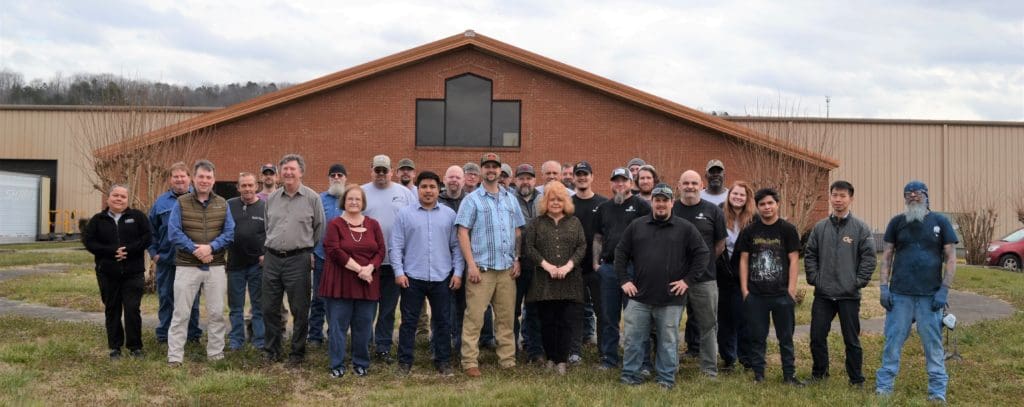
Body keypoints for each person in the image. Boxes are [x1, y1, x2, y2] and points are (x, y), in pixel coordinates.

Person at [616, 183, 709, 389]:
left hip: (670, 298)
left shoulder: (685, 228)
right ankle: (630, 375)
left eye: (665, 200)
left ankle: (665, 379)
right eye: (657, 200)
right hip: (639, 296)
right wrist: (624, 280)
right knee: (633, 340)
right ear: (652, 202)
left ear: (671, 203)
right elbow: (621, 253)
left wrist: (687, 281)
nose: (660, 204)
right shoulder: (637, 226)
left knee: (668, 342)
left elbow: (702, 254)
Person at [875, 180, 956, 403]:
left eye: (917, 193)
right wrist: (883, 287)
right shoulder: (897, 223)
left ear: (926, 196)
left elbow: (950, 259)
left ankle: (937, 391)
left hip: (930, 296)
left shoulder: (941, 222)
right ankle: (884, 387)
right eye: (908, 194)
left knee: (933, 344)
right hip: (900, 295)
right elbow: (887, 257)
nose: (913, 197)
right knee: (893, 341)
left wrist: (944, 291)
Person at [455, 152, 526, 377]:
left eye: (495, 167)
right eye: (487, 166)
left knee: (506, 318)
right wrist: (471, 265)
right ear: (481, 170)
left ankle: (507, 360)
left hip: (506, 270)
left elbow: (517, 230)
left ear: (500, 171)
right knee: (474, 318)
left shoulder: (510, 199)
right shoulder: (472, 199)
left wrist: (517, 258)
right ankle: (469, 362)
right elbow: (462, 232)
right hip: (482, 270)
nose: (491, 170)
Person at [391, 171, 464, 376]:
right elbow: (396, 245)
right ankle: (404, 363)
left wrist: (458, 273)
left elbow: (457, 247)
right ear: (418, 188)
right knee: (408, 323)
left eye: (432, 187)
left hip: (442, 277)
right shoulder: (405, 214)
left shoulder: (449, 215)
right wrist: (398, 271)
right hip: (412, 277)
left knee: (443, 322)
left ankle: (443, 361)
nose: (428, 191)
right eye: (424, 187)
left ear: (438, 189)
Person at [804, 180, 876, 386]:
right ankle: (819, 374)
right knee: (817, 336)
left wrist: (858, 282)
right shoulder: (820, 228)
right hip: (823, 294)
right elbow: (810, 254)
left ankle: (856, 379)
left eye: (842, 196)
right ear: (830, 197)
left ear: (851, 199)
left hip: (849, 295)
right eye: (834, 195)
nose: (838, 199)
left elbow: (869, 258)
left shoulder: (860, 228)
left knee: (851, 340)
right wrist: (814, 278)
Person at [166, 160, 235, 366]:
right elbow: (174, 232)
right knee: (181, 313)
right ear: (193, 179)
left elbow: (230, 233)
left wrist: (210, 248)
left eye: (208, 177)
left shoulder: (223, 203)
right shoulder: (181, 203)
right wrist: (196, 250)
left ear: (213, 180)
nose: (204, 181)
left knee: (216, 313)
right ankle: (175, 356)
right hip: (187, 266)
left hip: (215, 266)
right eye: (201, 177)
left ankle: (215, 354)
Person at [263, 154, 325, 366]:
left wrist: (306, 251)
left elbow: (319, 229)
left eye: (292, 169)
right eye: (285, 169)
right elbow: (267, 227)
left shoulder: (312, 198)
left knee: (300, 308)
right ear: (280, 173)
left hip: (298, 260)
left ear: (301, 172)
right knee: (270, 308)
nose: (288, 173)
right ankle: (272, 350)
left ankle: (297, 353)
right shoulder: (271, 198)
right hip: (272, 259)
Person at [737, 188, 804, 385]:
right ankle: (759, 375)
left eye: (770, 203)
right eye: (762, 204)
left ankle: (789, 376)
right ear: (757, 207)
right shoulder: (750, 231)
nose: (767, 207)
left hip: (782, 295)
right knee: (757, 337)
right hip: (756, 295)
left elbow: (793, 260)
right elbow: (743, 260)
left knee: (786, 338)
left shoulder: (788, 230)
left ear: (777, 204)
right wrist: (745, 291)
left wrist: (791, 290)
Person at [320, 184, 385, 378]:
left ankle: (361, 362)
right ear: (344, 202)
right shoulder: (335, 224)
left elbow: (381, 250)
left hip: (367, 283)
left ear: (363, 202)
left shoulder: (373, 224)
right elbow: (333, 250)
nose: (354, 202)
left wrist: (370, 268)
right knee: (338, 326)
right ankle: (337, 364)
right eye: (350, 199)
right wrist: (360, 270)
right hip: (340, 282)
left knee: (364, 325)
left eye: (357, 199)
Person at [523, 181, 586, 375]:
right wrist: (547, 266)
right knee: (547, 322)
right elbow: (529, 248)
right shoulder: (536, 223)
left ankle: (562, 360)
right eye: (552, 199)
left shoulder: (574, 222)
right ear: (545, 201)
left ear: (565, 201)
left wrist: (568, 266)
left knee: (565, 321)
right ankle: (550, 357)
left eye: (559, 199)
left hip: (569, 280)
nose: (556, 203)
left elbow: (582, 246)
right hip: (544, 282)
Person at [83, 184, 152, 359]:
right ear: (108, 198)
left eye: (123, 196)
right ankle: (115, 347)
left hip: (133, 273)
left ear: (128, 199)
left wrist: (127, 250)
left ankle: (135, 347)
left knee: (132, 309)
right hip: (107, 273)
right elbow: (89, 242)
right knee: (112, 309)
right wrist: (112, 251)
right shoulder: (98, 220)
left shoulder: (137, 217)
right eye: (116, 195)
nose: (119, 199)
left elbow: (147, 237)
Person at [593, 167, 651, 370]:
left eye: (624, 180)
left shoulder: (642, 206)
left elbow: (651, 236)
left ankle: (642, 361)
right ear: (611, 184)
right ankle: (609, 359)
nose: (620, 184)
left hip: (633, 269)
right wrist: (595, 263)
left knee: (636, 317)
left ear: (631, 183)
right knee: (609, 316)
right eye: (616, 180)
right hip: (608, 269)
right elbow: (598, 237)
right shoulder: (603, 208)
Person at [362, 154, 417, 364]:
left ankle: (383, 347)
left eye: (385, 170)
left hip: (395, 263)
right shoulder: (362, 192)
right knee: (367, 308)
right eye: (378, 170)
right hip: (367, 264)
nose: (381, 174)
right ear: (371, 171)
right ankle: (364, 344)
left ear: (391, 171)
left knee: (387, 309)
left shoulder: (404, 194)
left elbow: (414, 221)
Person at [673, 170, 726, 376]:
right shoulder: (672, 209)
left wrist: (702, 263)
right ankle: (670, 366)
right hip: (674, 279)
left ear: (701, 185)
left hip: (705, 278)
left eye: (694, 183)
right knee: (670, 325)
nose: (690, 187)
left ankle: (709, 370)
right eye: (685, 183)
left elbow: (720, 244)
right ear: (678, 185)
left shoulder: (713, 211)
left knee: (708, 325)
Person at [148, 162, 202, 344]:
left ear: (190, 178)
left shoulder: (201, 199)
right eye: (175, 176)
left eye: (183, 176)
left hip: (192, 260)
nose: (179, 179)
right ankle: (164, 335)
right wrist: (154, 253)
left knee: (192, 300)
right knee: (166, 298)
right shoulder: (161, 202)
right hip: (166, 260)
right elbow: (151, 230)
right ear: (170, 180)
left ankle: (193, 335)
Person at [569, 161, 608, 362]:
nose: (582, 178)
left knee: (602, 311)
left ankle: (604, 351)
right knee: (575, 310)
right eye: (579, 174)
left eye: (585, 174)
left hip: (597, 268)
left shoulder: (603, 204)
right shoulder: (568, 204)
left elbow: (606, 234)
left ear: (592, 177)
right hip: (574, 268)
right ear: (573, 178)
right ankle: (574, 351)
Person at [717, 181, 756, 372]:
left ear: (747, 198)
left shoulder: (754, 219)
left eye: (742, 195)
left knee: (744, 318)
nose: (738, 197)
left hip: (745, 276)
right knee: (724, 319)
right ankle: (728, 359)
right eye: (735, 194)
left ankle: (747, 359)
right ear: (729, 195)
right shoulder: (719, 213)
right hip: (723, 274)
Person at [226, 173, 267, 351]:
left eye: (250, 185)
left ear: (256, 186)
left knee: (258, 306)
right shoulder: (230, 205)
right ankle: (236, 341)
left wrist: (267, 254)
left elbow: (272, 232)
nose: (247, 189)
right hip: (235, 264)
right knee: (235, 306)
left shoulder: (265, 207)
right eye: (244, 186)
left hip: (257, 265)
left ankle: (259, 341)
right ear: (238, 187)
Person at [309, 163, 347, 347]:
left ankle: (335, 334)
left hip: (344, 260)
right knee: (318, 297)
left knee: (339, 299)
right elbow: (310, 227)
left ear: (345, 178)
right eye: (333, 175)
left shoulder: (350, 200)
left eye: (340, 175)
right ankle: (315, 336)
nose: (337, 177)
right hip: (321, 257)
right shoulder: (318, 199)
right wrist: (310, 252)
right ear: (329, 178)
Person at [513, 163, 544, 363]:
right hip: (517, 263)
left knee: (534, 309)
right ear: (516, 180)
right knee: (512, 310)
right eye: (521, 178)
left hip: (539, 264)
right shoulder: (508, 199)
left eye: (529, 178)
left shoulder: (543, 200)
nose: (525, 181)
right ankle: (511, 350)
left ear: (534, 180)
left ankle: (535, 352)